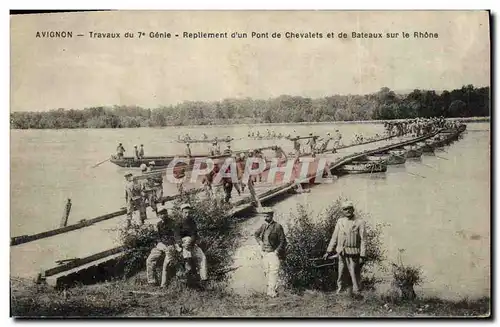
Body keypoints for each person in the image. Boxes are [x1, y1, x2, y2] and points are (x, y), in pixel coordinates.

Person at [323, 201, 366, 295]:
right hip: (341, 252)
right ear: (342, 211)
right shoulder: (340, 221)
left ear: (353, 209)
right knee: (341, 272)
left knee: (354, 272)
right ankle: (340, 291)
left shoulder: (360, 222)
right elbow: (334, 237)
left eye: (349, 208)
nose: (348, 211)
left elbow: (363, 239)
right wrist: (328, 251)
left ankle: (357, 292)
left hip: (353, 252)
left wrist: (363, 255)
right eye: (345, 209)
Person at [254, 207, 287, 298]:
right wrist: (260, 242)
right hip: (264, 252)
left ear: (272, 216)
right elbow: (256, 234)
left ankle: (272, 291)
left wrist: (276, 251)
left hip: (273, 252)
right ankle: (270, 289)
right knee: (267, 271)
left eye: (267, 216)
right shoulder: (263, 226)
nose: (265, 218)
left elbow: (283, 241)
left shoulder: (277, 226)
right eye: (264, 216)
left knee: (274, 271)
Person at [146, 209, 182, 287]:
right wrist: (159, 243)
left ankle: (165, 284)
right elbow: (157, 237)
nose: (163, 215)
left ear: (167, 213)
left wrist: (178, 244)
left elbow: (176, 236)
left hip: (170, 244)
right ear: (158, 215)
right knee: (150, 259)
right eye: (160, 214)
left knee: (167, 262)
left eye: (164, 213)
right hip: (161, 245)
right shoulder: (159, 224)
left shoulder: (173, 223)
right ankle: (152, 281)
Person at [178, 203, 208, 283]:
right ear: (181, 212)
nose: (187, 214)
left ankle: (204, 279)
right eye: (185, 213)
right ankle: (189, 278)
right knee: (188, 257)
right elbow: (176, 236)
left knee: (202, 257)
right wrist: (182, 244)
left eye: (189, 212)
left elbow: (194, 234)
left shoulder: (192, 221)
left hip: (191, 243)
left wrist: (190, 241)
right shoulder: (178, 222)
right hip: (183, 245)